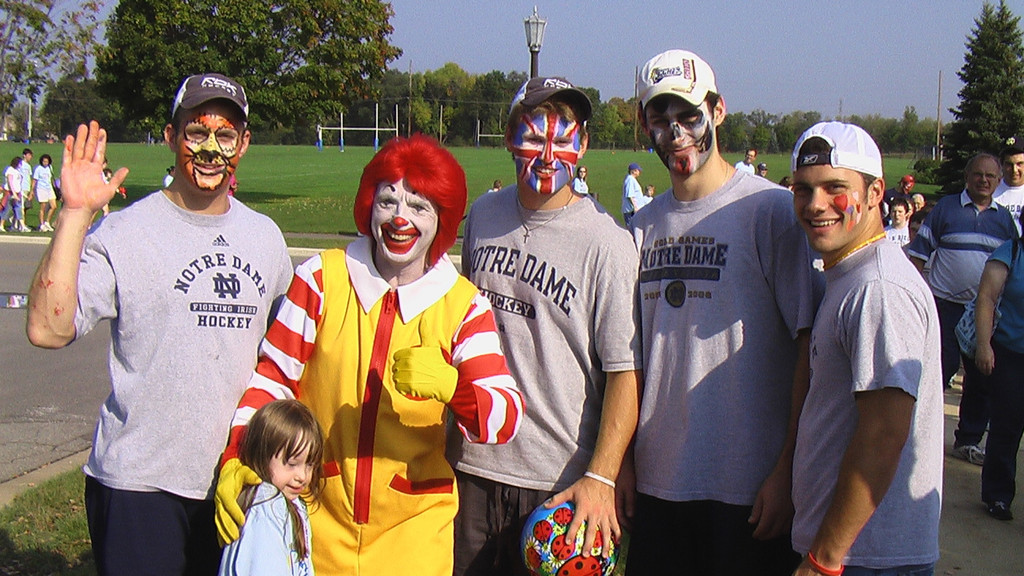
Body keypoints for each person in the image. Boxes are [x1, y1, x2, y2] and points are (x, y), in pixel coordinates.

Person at [216, 134, 524, 576]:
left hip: (414, 531)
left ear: (442, 220)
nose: (401, 218)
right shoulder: (321, 278)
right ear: (369, 205)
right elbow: (271, 380)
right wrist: (236, 458)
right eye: (388, 201)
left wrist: (454, 388)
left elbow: (506, 417)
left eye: (419, 207)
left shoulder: (463, 305)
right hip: (312, 516)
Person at [25, 73, 294, 576]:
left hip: (236, 482)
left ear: (245, 144)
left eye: (226, 134)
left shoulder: (266, 238)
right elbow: (47, 328)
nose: (211, 149)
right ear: (171, 137)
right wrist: (75, 214)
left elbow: (284, 360)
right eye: (196, 132)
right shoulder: (124, 232)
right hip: (138, 485)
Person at [627, 49, 819, 575]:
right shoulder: (642, 226)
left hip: (749, 490)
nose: (676, 132)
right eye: (659, 118)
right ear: (645, 124)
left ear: (718, 110)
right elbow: (631, 363)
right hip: (660, 483)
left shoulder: (769, 211)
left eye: (689, 114)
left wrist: (787, 472)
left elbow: (809, 348)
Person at [453, 75, 641, 576]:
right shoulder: (483, 215)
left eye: (564, 139)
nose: (548, 155)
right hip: (472, 465)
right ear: (510, 136)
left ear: (583, 145)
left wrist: (601, 476)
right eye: (535, 136)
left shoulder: (607, 242)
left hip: (556, 480)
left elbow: (625, 371)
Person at [789, 121, 943, 576]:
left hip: (866, 559)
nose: (816, 205)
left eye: (834, 188)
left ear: (876, 193)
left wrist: (824, 559)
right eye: (803, 190)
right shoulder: (848, 275)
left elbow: (883, 435)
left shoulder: (877, 289)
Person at [907, 153, 1018, 467]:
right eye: (978, 174)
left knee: (981, 377)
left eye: (991, 176)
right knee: (937, 371)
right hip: (946, 306)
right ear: (967, 177)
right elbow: (918, 256)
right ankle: (917, 434)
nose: (984, 180)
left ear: (998, 182)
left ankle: (967, 440)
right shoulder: (945, 209)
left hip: (985, 315)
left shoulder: (1003, 221)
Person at [219, 400, 325, 576]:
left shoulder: (293, 504)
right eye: (292, 464)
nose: (302, 476)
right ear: (262, 454)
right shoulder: (266, 505)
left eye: (309, 464)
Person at [974, 233, 1024, 521]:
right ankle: (998, 495)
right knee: (1007, 427)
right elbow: (987, 298)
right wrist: (984, 346)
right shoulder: (1010, 252)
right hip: (1011, 354)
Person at [994, 135, 1024, 230]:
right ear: (1001, 164)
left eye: (1019, 164)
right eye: (1009, 164)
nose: (1014, 170)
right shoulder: (990, 193)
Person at [1, 156, 28, 232]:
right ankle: (1, 224)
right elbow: (10, 182)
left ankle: (22, 226)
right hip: (11, 193)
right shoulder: (10, 170)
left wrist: (20, 193)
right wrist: (14, 194)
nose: (21, 165)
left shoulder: (17, 171)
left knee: (18, 209)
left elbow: (18, 183)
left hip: (17, 192)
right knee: (8, 209)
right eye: (20, 163)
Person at [33, 154, 57, 231]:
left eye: (47, 161)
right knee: (42, 207)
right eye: (44, 161)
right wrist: (32, 190)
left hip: (49, 188)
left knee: (54, 206)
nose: (45, 163)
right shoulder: (38, 169)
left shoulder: (50, 168)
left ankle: (47, 222)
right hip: (41, 189)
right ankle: (42, 224)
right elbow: (34, 180)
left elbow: (51, 178)